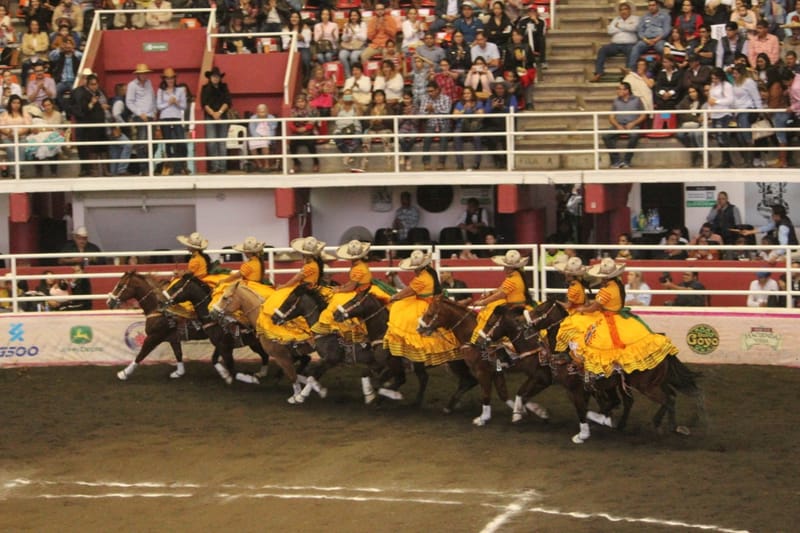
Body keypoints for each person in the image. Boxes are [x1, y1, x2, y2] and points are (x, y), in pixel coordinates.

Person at [556, 257, 679, 379]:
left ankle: (588, 367)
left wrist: (582, 309)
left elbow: (593, 308)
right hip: (618, 314)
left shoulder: (606, 290)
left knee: (591, 339)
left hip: (608, 317)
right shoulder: (617, 285)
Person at [384, 250, 459, 367]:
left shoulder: (421, 279)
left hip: (424, 303)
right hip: (427, 300)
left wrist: (394, 297)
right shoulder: (430, 272)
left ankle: (415, 352)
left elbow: (407, 291)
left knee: (406, 319)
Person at [310, 239, 374, 341]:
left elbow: (352, 286)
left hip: (361, 292)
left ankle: (342, 327)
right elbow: (351, 283)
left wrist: (339, 290)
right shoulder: (359, 265)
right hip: (360, 289)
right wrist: (341, 287)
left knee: (337, 300)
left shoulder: (358, 268)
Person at [470, 249, 533, 344]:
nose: (504, 269)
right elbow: (501, 289)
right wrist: (490, 293)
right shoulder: (516, 275)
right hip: (516, 305)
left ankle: (488, 338)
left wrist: (482, 302)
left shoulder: (512, 279)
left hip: (515, 307)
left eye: (505, 267)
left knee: (491, 314)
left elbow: (500, 295)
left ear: (509, 268)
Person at [591, 0, 639, 82]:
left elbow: (634, 28)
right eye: (621, 9)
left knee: (633, 51)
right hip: (615, 44)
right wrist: (626, 27)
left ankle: (627, 74)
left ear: (629, 10)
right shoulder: (616, 19)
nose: (623, 11)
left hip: (630, 44)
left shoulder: (636, 18)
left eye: (625, 9)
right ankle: (599, 72)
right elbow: (610, 30)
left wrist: (619, 26)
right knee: (602, 50)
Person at [603, 81, 646, 168]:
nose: (617, 91)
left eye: (620, 89)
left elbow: (643, 115)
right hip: (619, 125)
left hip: (633, 125)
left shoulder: (637, 100)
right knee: (606, 136)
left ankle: (627, 161)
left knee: (634, 135)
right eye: (617, 89)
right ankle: (616, 161)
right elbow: (611, 117)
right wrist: (618, 126)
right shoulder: (615, 101)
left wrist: (633, 123)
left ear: (627, 91)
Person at [156, 67, 188, 176]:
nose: (170, 80)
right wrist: (169, 103)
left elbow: (184, 106)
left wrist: (177, 102)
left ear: (175, 78)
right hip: (165, 118)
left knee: (181, 142)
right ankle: (170, 167)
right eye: (168, 78)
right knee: (168, 143)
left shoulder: (181, 90)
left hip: (176, 117)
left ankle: (180, 165)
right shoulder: (160, 91)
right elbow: (159, 106)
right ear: (164, 79)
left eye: (172, 78)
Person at [200, 66, 231, 174]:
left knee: (221, 142)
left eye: (217, 76)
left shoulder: (224, 87)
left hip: (222, 116)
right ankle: (214, 166)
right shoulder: (205, 89)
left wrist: (219, 113)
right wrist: (213, 113)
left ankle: (222, 167)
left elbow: (228, 102)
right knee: (212, 141)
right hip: (210, 116)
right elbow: (204, 104)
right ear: (210, 77)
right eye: (213, 76)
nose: (215, 78)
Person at [126, 63, 157, 162]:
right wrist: (140, 113)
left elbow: (152, 98)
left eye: (145, 73)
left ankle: (149, 165)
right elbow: (129, 102)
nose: (144, 75)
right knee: (142, 142)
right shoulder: (132, 85)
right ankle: (144, 168)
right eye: (142, 73)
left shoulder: (149, 83)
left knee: (153, 143)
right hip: (140, 116)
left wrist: (154, 111)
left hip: (150, 116)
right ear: (137, 74)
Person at [627, 0, 672, 70]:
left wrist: (656, 39)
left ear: (657, 6)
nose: (651, 7)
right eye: (649, 5)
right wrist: (645, 40)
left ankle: (665, 69)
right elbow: (640, 31)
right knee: (636, 48)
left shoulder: (665, 15)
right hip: (646, 40)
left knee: (662, 49)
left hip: (660, 40)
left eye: (653, 5)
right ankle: (631, 70)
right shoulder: (644, 17)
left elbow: (667, 30)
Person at [419, 81, 452, 171]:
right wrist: (427, 110)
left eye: (432, 91)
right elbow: (421, 114)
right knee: (427, 138)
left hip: (444, 123)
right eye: (428, 91)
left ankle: (441, 162)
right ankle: (426, 162)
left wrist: (434, 109)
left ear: (437, 90)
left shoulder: (446, 98)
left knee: (444, 137)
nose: (430, 93)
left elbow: (447, 111)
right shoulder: (425, 99)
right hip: (430, 123)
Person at [287, 93, 320, 174]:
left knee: (311, 144)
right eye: (298, 102)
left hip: (309, 132)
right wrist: (297, 129)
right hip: (297, 132)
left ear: (305, 102)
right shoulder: (293, 111)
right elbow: (290, 123)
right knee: (292, 144)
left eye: (302, 101)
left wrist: (305, 128)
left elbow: (313, 122)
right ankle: (296, 162)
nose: (300, 103)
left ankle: (316, 162)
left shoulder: (312, 110)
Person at [248, 103, 278, 172]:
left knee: (265, 143)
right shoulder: (253, 118)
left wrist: (267, 137)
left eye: (264, 112)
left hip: (268, 136)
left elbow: (273, 129)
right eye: (260, 112)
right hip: (256, 136)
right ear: (257, 112)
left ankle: (266, 165)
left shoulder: (271, 118)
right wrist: (259, 137)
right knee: (251, 144)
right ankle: (259, 165)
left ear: (267, 111)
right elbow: (252, 130)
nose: (262, 114)